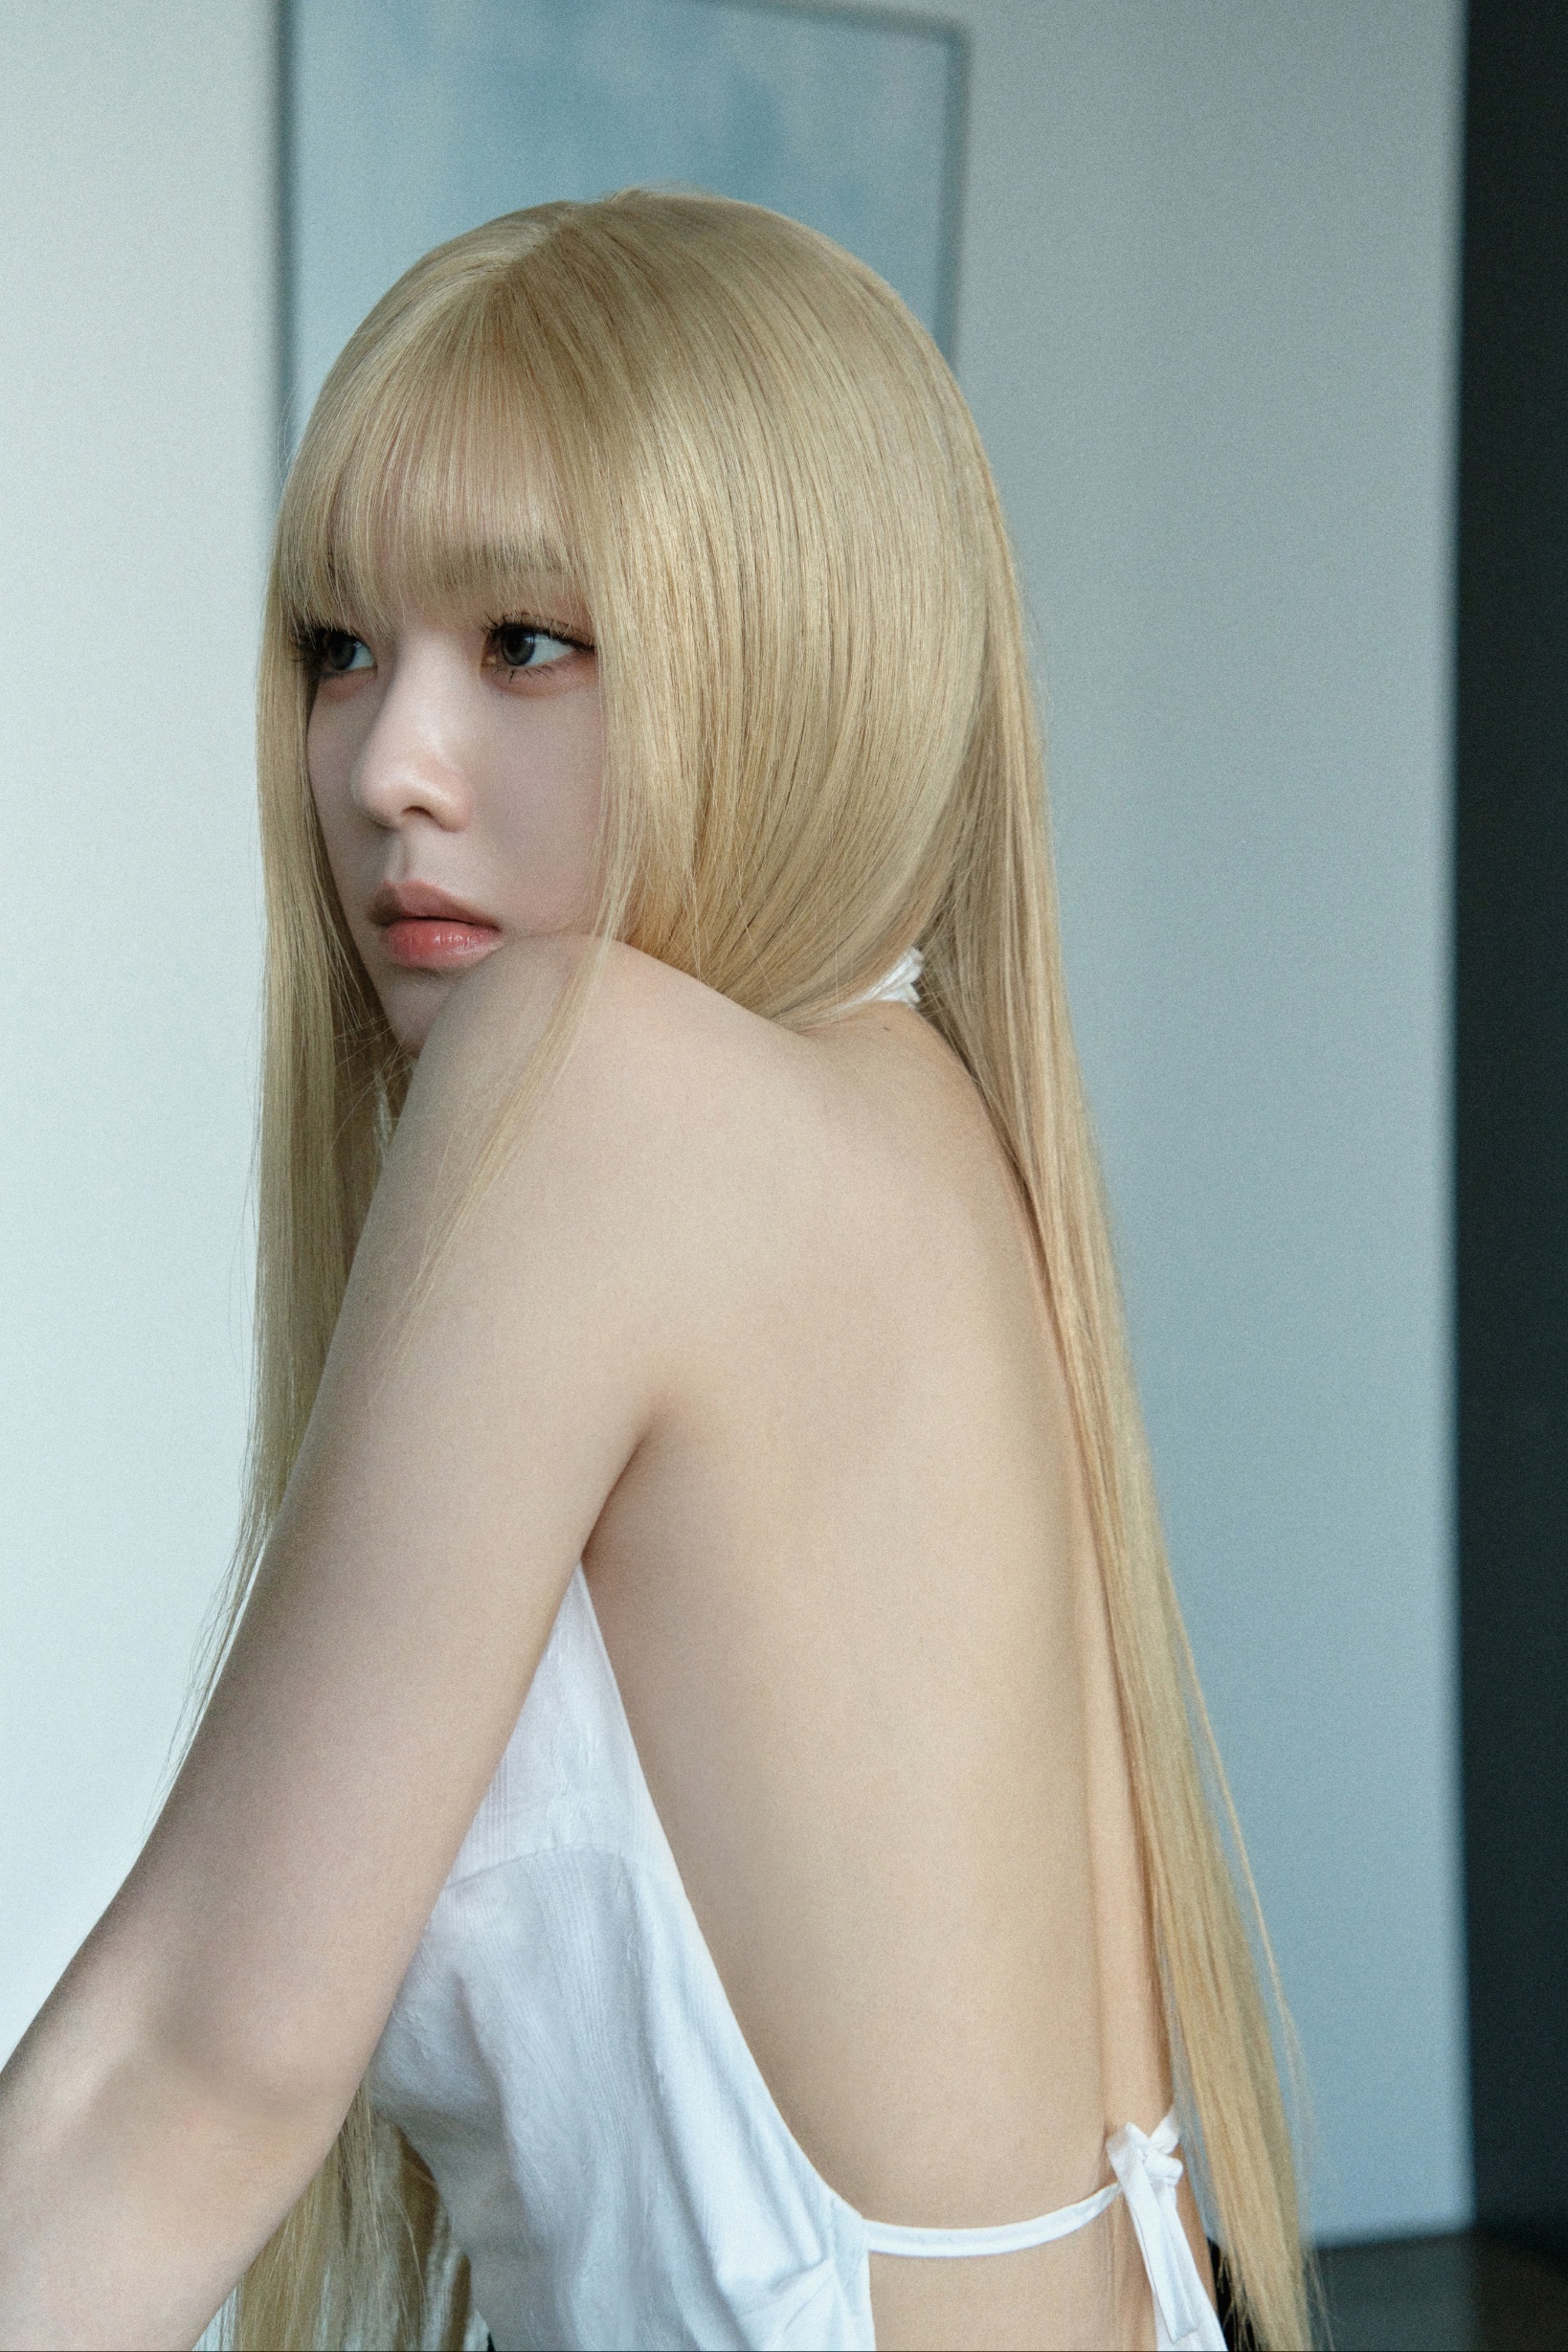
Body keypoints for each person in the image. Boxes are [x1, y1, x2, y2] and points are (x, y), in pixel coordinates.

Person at [0, 192, 1310, 2352]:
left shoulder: (600, 1080)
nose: (386, 767)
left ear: (784, 643)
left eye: (526, 640)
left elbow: (186, 2080)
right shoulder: (917, 1114)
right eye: (340, 647)